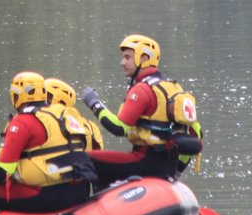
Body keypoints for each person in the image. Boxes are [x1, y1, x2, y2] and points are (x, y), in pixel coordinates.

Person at [78, 34, 202, 187]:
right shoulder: (174, 87)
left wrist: (94, 103)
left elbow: (119, 128)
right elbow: (196, 131)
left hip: (144, 162)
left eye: (127, 57)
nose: (122, 62)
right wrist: (177, 171)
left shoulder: (142, 90)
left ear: (144, 58)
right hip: (168, 167)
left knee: (82, 159)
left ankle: (89, 205)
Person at [0, 71, 96, 214]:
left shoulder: (23, 121)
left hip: (49, 196)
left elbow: (2, 172)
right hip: (80, 191)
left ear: (16, 95)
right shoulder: (65, 115)